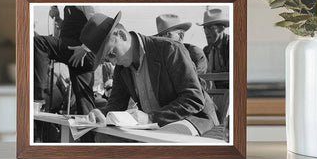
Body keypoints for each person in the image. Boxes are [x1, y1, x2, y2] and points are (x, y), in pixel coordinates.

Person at [79, 12, 218, 140]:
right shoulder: (122, 68)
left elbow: (194, 99)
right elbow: (116, 104)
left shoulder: (170, 49)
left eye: (111, 53)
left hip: (193, 118)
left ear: (121, 35)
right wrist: (100, 114)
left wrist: (150, 118)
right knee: (103, 137)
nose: (113, 62)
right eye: (107, 59)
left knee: (160, 142)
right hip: (152, 126)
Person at [34, 5, 98, 115]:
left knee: (39, 44)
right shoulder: (74, 5)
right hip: (81, 55)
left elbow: (98, 24)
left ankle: (37, 99)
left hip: (81, 51)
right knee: (85, 104)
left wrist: (85, 48)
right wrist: (58, 19)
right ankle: (90, 128)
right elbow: (73, 29)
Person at [197, 8, 230, 89]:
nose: (206, 32)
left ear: (221, 28)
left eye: (211, 27)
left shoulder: (232, 46)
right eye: (205, 28)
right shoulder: (206, 50)